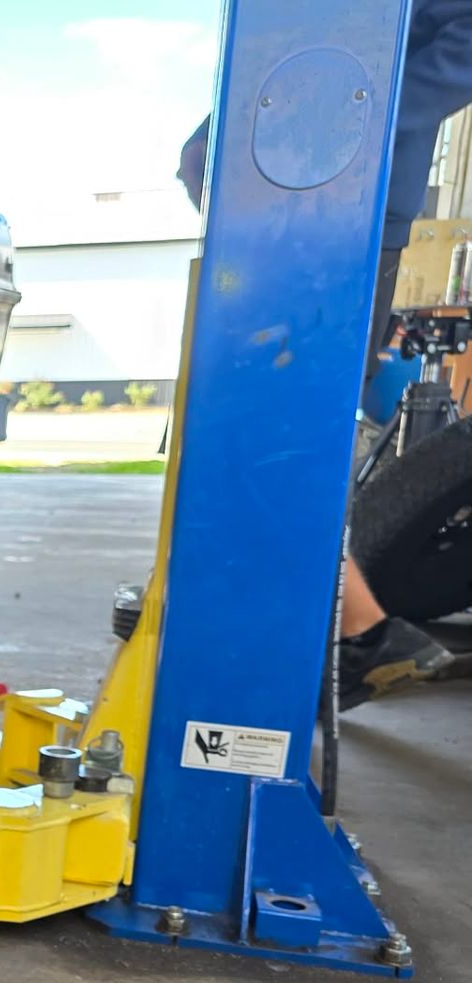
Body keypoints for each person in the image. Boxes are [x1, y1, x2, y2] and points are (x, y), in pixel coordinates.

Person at [179, 2, 472, 708]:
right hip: (277, 205)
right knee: (255, 437)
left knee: (283, 438)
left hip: (350, 206)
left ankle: (353, 635)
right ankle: (341, 634)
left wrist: (358, 118)